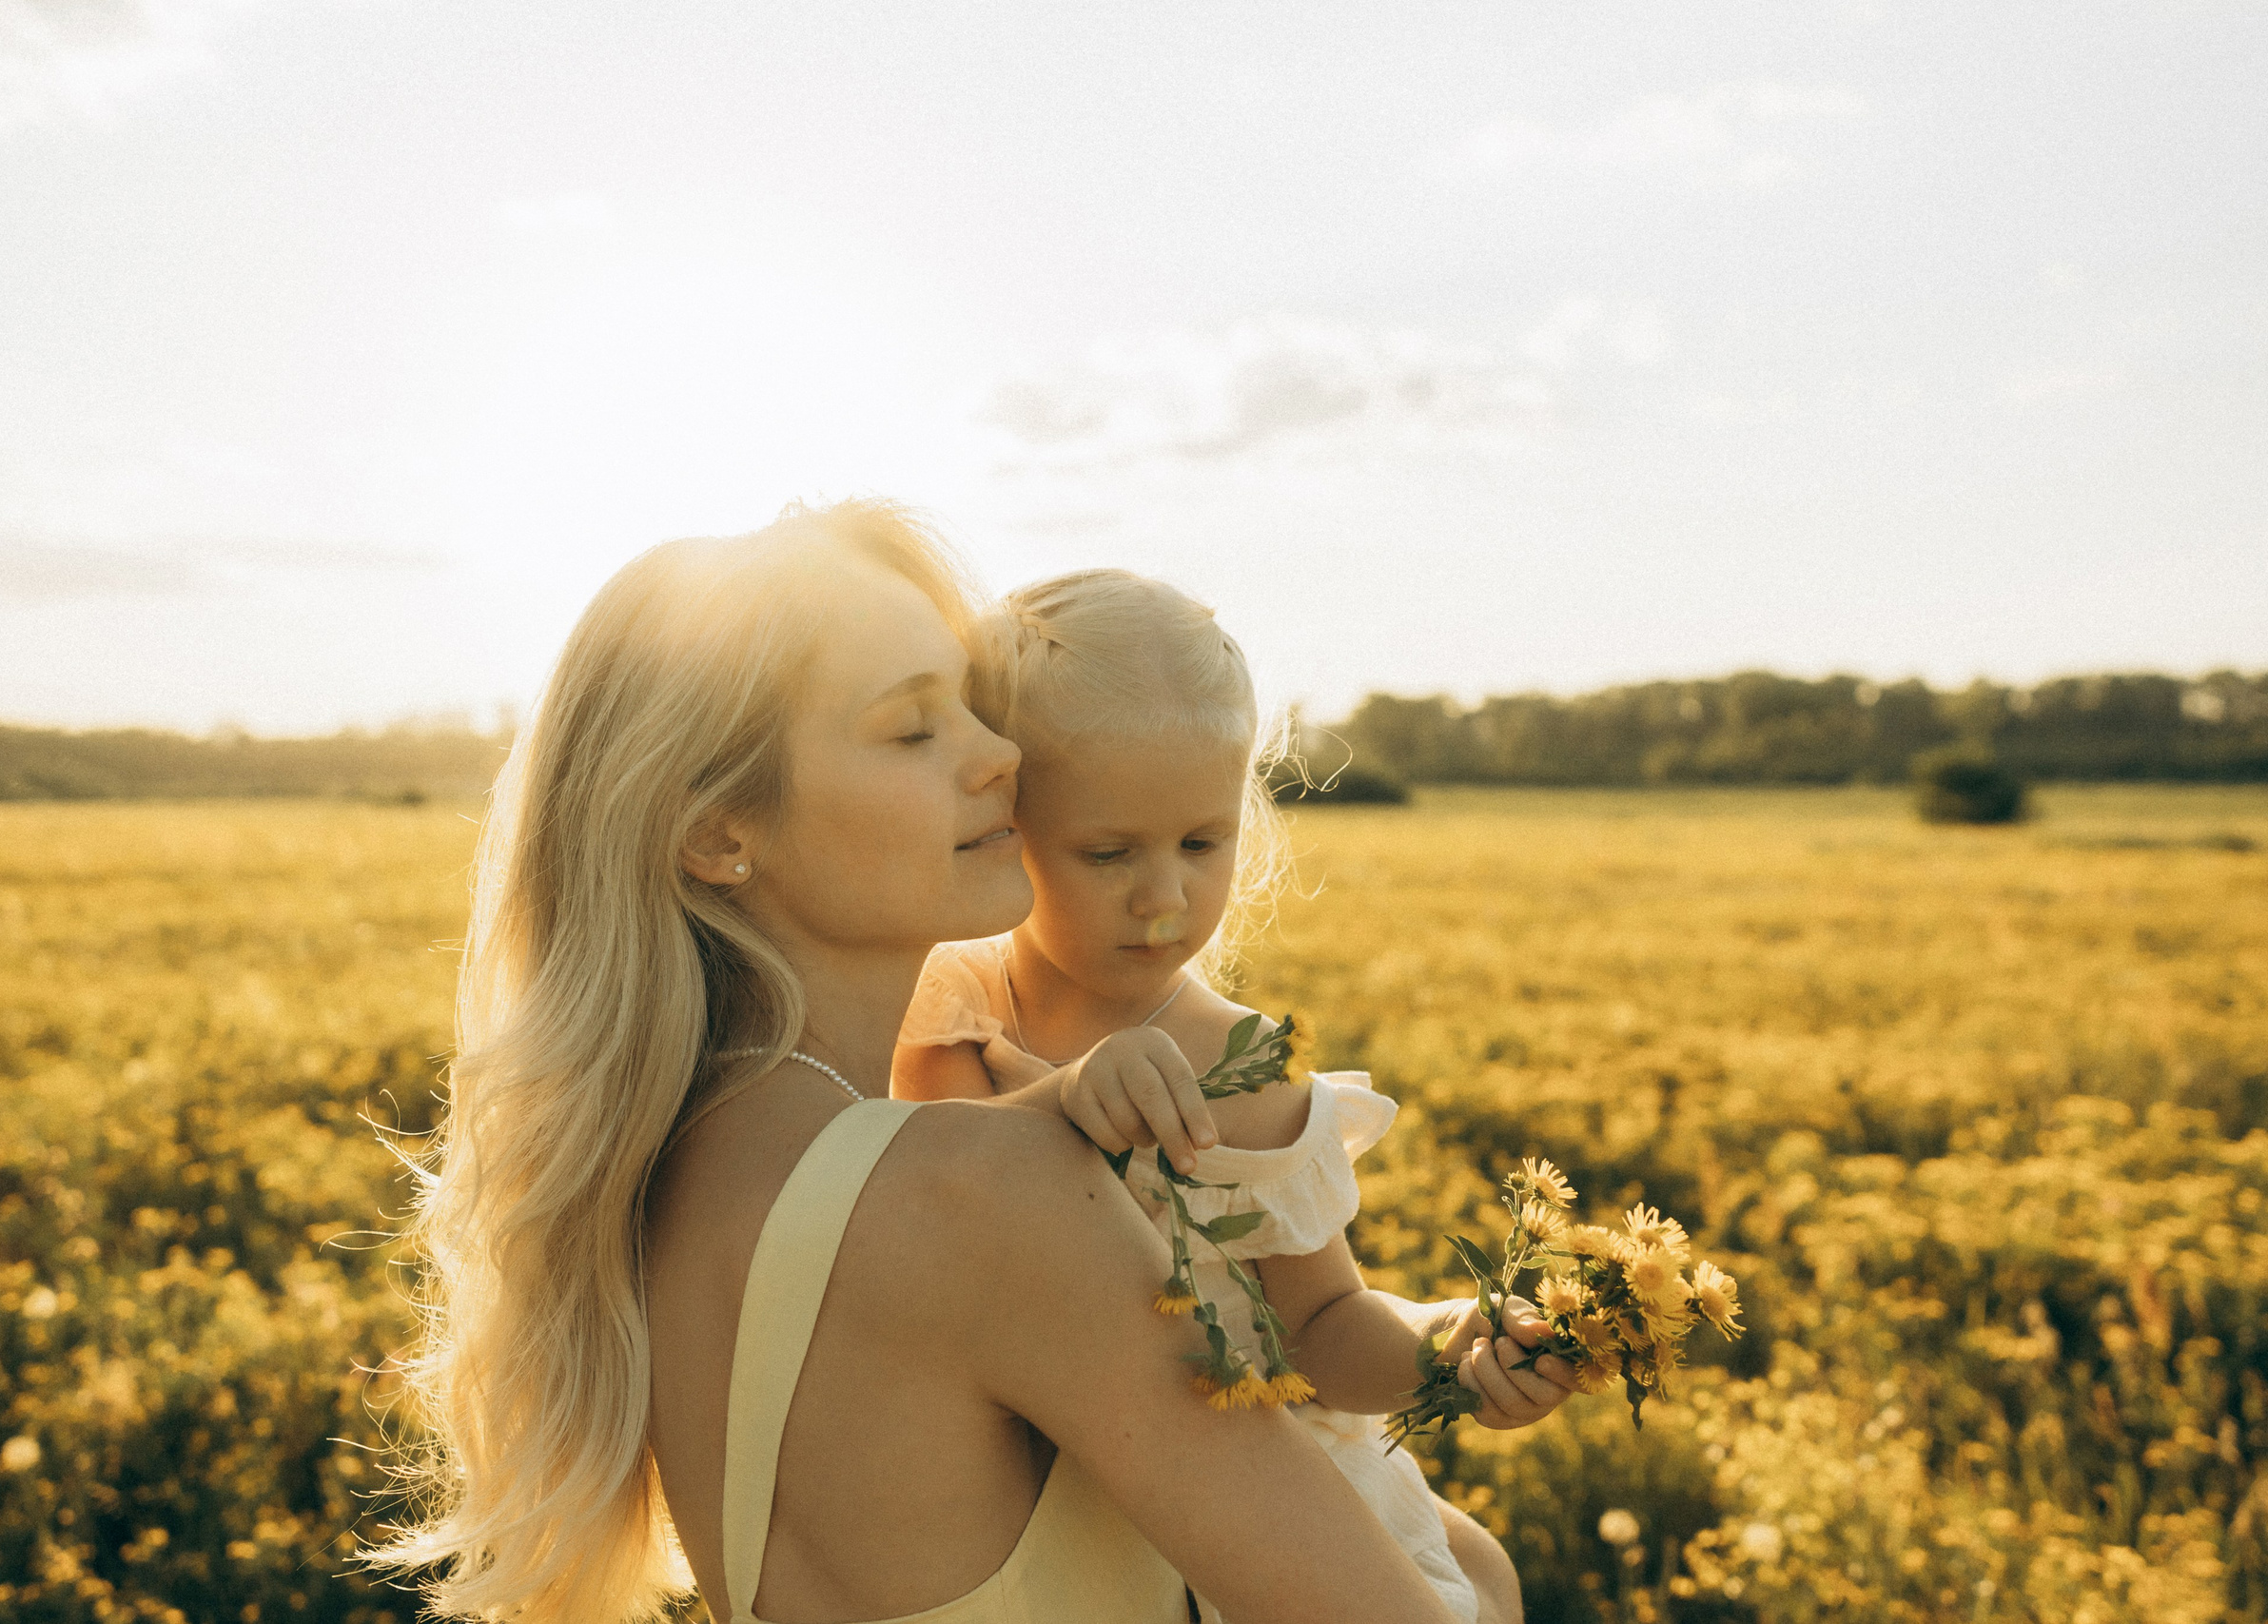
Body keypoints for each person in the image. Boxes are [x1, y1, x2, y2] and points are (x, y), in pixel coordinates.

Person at [366, 500, 1491, 1624]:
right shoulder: (981, 1191)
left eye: (967, 706)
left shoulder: (663, 1165)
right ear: (719, 835)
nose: (999, 755)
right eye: (914, 730)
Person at [893, 569, 1577, 1624]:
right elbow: (921, 1208)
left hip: (1247, 1516)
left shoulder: (1248, 1072)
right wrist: (1060, 1101)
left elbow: (1323, 1324)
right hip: (1019, 1511)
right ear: (1001, 822)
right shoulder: (952, 1004)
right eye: (1108, 851)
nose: (1164, 897)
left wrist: (1450, 1340)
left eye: (1201, 843)